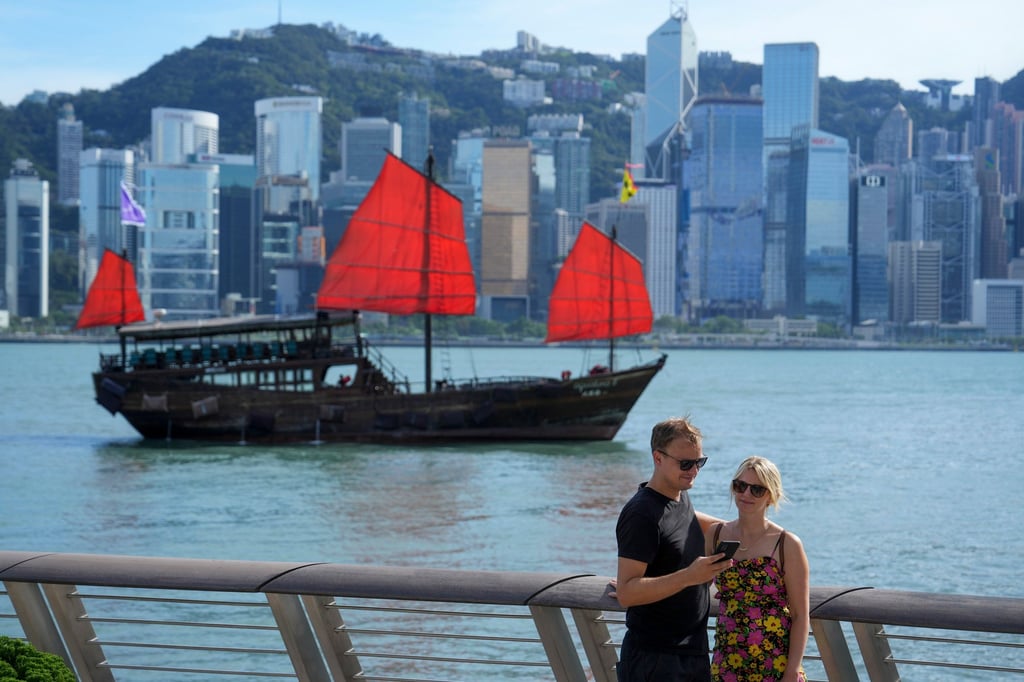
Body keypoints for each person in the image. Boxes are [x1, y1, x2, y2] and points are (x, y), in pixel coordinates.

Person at [615, 416, 732, 681]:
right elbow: (626, 593)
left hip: (692, 653)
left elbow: (688, 521)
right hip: (655, 660)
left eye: (699, 462)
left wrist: (755, 530)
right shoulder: (641, 514)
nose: (694, 471)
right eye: (685, 463)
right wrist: (690, 576)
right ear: (658, 458)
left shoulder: (679, 496)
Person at [706, 456, 810, 682]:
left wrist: (792, 670)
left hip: (776, 663)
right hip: (727, 660)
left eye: (757, 489)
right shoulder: (715, 535)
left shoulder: (787, 544)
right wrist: (645, 583)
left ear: (771, 495)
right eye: (740, 486)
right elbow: (694, 581)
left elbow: (801, 615)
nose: (746, 494)